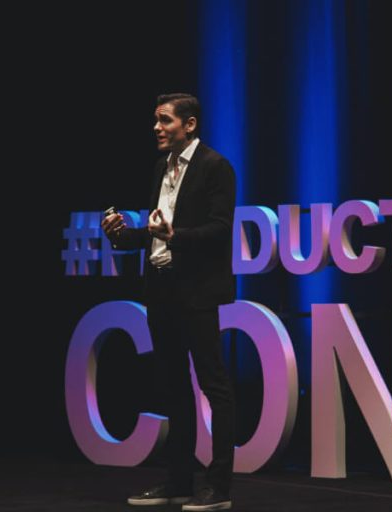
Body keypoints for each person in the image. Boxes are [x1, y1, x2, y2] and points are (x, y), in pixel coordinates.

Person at [102, 93, 237, 511]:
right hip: (161, 290)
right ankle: (178, 480)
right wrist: (123, 235)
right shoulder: (162, 166)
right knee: (174, 385)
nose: (156, 128)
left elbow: (220, 228)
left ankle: (218, 486)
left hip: (197, 291)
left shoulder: (215, 166)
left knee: (213, 385)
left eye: (165, 120)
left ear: (189, 124)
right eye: (156, 121)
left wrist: (176, 236)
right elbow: (157, 232)